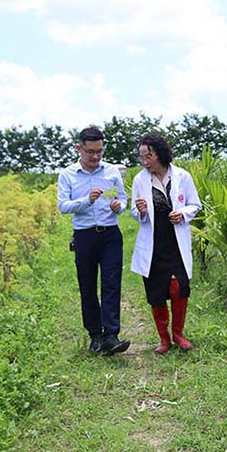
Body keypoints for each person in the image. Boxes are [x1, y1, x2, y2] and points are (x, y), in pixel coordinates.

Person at [57, 126, 131, 356]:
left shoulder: (111, 172)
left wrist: (120, 206)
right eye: (90, 152)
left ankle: (111, 334)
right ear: (79, 148)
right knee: (87, 285)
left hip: (110, 233)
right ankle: (95, 335)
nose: (96, 157)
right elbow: (63, 206)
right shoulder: (68, 174)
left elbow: (122, 197)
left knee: (111, 283)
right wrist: (86, 201)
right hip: (84, 235)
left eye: (99, 151)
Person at [130, 133, 202, 354]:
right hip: (154, 243)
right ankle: (164, 339)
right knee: (157, 291)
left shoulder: (182, 176)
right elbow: (134, 211)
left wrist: (182, 214)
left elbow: (195, 204)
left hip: (176, 241)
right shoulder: (140, 180)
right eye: (142, 157)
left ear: (159, 153)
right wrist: (140, 211)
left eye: (148, 156)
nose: (145, 161)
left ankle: (178, 334)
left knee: (178, 288)